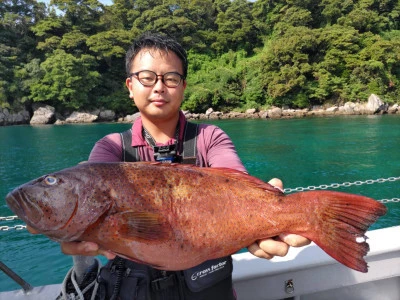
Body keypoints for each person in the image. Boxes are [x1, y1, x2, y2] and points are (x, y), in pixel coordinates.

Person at [59, 32, 310, 299]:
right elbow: (95, 200)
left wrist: (272, 207)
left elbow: (236, 181)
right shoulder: (111, 148)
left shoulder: (209, 137)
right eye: (147, 77)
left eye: (170, 78)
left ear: (183, 86)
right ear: (130, 86)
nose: (159, 87)